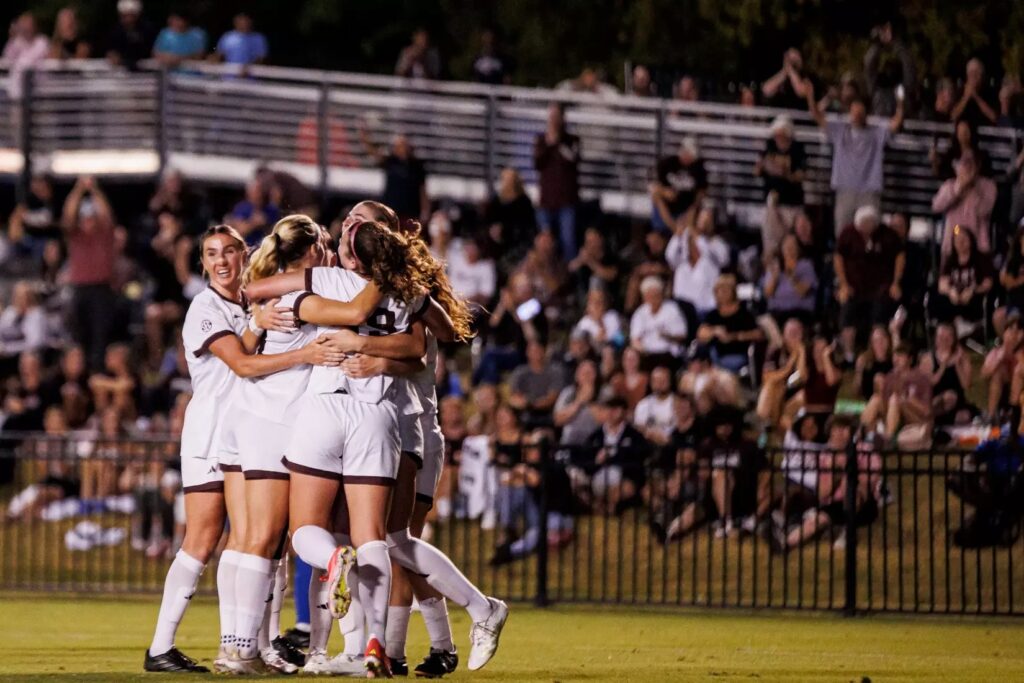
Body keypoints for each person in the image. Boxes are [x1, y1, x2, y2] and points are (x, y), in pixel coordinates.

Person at [252, 207, 508, 677]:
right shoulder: (396, 284)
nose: (349, 225)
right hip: (380, 418)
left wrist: (362, 346)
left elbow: (428, 342)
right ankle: (383, 650)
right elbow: (436, 335)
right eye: (349, 219)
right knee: (379, 540)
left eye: (360, 222)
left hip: (408, 420)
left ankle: (447, 622)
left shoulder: (361, 283)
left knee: (387, 538)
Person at [144, 224, 343, 674]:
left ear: (244, 254)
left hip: (244, 427)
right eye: (211, 253)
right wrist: (302, 352)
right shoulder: (206, 306)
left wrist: (257, 320)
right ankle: (163, 645)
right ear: (202, 263)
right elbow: (244, 364)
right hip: (213, 431)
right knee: (205, 538)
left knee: (257, 541)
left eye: (230, 251)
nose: (221, 260)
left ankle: (254, 644)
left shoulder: (252, 302)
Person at [804, 79, 904, 234]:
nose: (857, 115)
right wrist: (810, 96)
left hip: (869, 192)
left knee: (870, 236)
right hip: (845, 190)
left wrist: (900, 102)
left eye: (861, 112)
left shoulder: (876, 133)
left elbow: (896, 123)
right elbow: (816, 115)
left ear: (866, 114)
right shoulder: (839, 131)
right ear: (850, 113)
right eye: (854, 112)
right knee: (843, 234)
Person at [61, 176, 118, 371]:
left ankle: (97, 375)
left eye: (90, 218)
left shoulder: (104, 233)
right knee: (79, 339)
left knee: (99, 340)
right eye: (84, 218)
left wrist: (94, 190)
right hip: (80, 289)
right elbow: (68, 215)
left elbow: (107, 214)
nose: (87, 222)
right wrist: (78, 190)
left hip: (101, 289)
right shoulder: (74, 234)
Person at [834, 205, 904, 364]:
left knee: (879, 315)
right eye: (863, 225)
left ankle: (877, 354)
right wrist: (843, 284)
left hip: (880, 289)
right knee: (848, 314)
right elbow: (838, 258)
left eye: (870, 224)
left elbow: (900, 255)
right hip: (854, 289)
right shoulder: (848, 234)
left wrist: (896, 282)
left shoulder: (886, 234)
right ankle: (849, 356)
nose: (867, 228)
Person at [699, 406, 770, 537]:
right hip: (716, 495)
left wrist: (762, 488)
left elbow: (765, 470)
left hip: (745, 493)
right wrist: (715, 475)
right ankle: (726, 521)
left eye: (728, 424)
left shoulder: (748, 445)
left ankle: (750, 523)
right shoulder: (708, 446)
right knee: (721, 474)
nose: (725, 428)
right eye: (721, 424)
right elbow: (703, 473)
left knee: (774, 493)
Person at [582, 396, 649, 515]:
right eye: (608, 409)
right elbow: (586, 461)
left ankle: (609, 513)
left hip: (624, 478)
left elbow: (638, 458)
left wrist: (611, 458)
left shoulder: (634, 435)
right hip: (597, 476)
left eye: (615, 409)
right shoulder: (595, 437)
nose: (611, 413)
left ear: (623, 411)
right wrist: (597, 461)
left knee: (620, 489)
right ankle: (600, 512)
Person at [533, 103, 581, 259]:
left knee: (568, 240)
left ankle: (570, 277)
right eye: (551, 117)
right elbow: (537, 163)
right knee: (544, 241)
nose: (553, 120)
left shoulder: (572, 140)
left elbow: (573, 160)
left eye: (556, 117)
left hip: (566, 201)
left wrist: (558, 142)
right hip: (546, 201)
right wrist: (549, 144)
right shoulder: (541, 140)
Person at [755, 115, 806, 256]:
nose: (778, 137)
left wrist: (785, 173)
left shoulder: (797, 149)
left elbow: (802, 175)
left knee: (790, 240)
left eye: (781, 133)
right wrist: (763, 166)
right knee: (771, 241)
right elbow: (757, 170)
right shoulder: (769, 146)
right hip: (772, 201)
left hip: (791, 202)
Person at [861, 344, 932, 442]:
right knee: (875, 399)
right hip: (893, 416)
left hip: (915, 419)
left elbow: (927, 412)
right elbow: (884, 405)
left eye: (901, 356)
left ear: (910, 359)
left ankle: (888, 439)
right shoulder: (890, 377)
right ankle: (861, 436)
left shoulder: (920, 378)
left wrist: (907, 399)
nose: (896, 359)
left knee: (895, 399)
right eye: (895, 356)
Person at [665, 205, 729, 314]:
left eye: (709, 220)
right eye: (702, 218)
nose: (705, 223)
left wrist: (699, 238)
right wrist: (677, 236)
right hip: (682, 302)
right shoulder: (683, 240)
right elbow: (670, 258)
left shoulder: (718, 244)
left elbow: (724, 260)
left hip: (706, 304)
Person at [931, 151, 996, 257]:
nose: (967, 167)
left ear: (978, 166)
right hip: (954, 238)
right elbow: (936, 206)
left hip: (978, 244)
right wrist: (959, 189)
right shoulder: (949, 186)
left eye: (971, 164)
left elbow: (984, 211)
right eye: (964, 163)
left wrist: (973, 187)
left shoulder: (988, 186)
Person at [696, 274, 764, 375]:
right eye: (718, 291)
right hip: (716, 355)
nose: (721, 294)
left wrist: (734, 337)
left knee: (719, 367)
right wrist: (715, 331)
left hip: (737, 353)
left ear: (733, 292)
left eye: (725, 290)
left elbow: (758, 334)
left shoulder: (744, 313)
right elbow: (700, 333)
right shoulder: (713, 314)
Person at [932, 226, 994, 334]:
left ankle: (968, 327)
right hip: (954, 298)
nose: (961, 242)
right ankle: (947, 328)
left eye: (964, 239)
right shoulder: (950, 261)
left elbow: (988, 283)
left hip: (974, 297)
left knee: (976, 300)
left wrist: (973, 290)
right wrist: (951, 291)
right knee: (940, 298)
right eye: (957, 240)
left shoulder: (981, 259)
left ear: (970, 240)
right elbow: (942, 284)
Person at [359, 132, 429, 222]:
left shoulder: (417, 166)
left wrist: (425, 211)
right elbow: (374, 154)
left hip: (410, 212)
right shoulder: (391, 161)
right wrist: (366, 140)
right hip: (390, 210)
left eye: (403, 145)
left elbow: (423, 191)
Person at [481, 167, 537, 274]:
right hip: (496, 242)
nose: (507, 183)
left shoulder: (524, 202)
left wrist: (505, 230)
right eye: (505, 179)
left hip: (516, 242)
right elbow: (487, 220)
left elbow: (526, 226)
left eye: (510, 179)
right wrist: (492, 230)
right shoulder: (496, 200)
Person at [628, 276, 688, 369]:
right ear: (644, 297)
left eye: (656, 295)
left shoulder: (672, 309)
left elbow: (682, 336)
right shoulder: (640, 313)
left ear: (661, 295)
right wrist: (643, 350)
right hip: (647, 354)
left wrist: (668, 336)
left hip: (667, 354)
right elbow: (634, 339)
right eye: (649, 295)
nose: (653, 298)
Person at [920, 322, 974, 427]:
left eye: (948, 336)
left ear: (953, 339)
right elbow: (930, 383)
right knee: (948, 397)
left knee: (964, 416)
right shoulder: (927, 358)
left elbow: (966, 385)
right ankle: (932, 419)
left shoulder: (963, 357)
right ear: (935, 339)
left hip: (958, 400)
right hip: (936, 400)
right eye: (941, 337)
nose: (944, 340)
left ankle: (941, 422)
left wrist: (958, 364)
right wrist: (943, 366)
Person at [651, 137, 707, 233]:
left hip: (686, 207)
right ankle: (673, 228)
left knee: (697, 211)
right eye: (685, 153)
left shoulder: (699, 169)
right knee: (656, 196)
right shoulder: (668, 163)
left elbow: (702, 191)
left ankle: (682, 230)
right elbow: (654, 186)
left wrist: (693, 208)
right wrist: (664, 191)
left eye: (689, 154)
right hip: (668, 206)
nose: (686, 156)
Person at [507, 341, 567, 428]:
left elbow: (552, 397)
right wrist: (526, 404)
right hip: (524, 414)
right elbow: (514, 398)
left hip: (549, 413)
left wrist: (530, 403)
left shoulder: (555, 371)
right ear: (527, 353)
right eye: (532, 350)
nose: (536, 353)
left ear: (544, 351)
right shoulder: (520, 372)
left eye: (538, 350)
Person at [762, 233, 817, 325]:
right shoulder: (774, 266)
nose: (789, 248)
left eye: (793, 245)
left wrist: (792, 277)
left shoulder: (806, 266)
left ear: (798, 248)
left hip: (799, 312)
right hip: (776, 312)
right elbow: (767, 294)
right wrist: (775, 278)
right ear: (781, 248)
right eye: (786, 245)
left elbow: (803, 292)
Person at [2, 13, 50, 98]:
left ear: (35, 26)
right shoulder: (16, 42)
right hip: (17, 93)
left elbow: (37, 62)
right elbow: (7, 60)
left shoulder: (42, 42)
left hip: (39, 90)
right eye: (24, 24)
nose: (26, 28)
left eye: (29, 24)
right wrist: (12, 39)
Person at [633, 366, 678, 449]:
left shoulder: (678, 403)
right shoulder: (643, 405)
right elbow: (638, 428)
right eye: (656, 380)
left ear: (670, 381)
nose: (659, 384)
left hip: (672, 446)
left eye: (663, 380)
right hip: (647, 446)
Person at [0, 280, 47, 359]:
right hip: (7, 355)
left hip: (30, 356)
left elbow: (34, 344)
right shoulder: (10, 312)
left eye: (23, 296)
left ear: (30, 297)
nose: (19, 300)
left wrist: (7, 348)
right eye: (16, 296)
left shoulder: (36, 315)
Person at [107, 0, 156, 70]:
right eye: (124, 16)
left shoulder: (147, 29)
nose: (128, 19)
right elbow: (112, 50)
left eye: (131, 15)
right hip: (122, 70)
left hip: (146, 69)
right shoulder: (116, 30)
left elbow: (152, 50)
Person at [951, 58, 998, 127]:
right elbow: (953, 116)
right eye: (971, 73)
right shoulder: (960, 91)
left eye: (977, 73)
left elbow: (994, 117)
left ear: (982, 76)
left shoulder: (989, 91)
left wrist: (975, 96)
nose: (974, 77)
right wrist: (966, 97)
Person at [855, 326, 893, 402]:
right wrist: (858, 371)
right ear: (871, 343)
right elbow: (857, 391)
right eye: (876, 341)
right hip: (868, 401)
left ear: (888, 341)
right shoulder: (865, 362)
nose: (880, 344)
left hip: (888, 401)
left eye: (882, 339)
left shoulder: (893, 361)